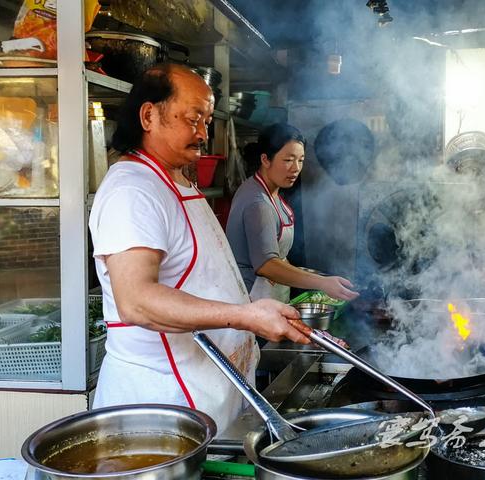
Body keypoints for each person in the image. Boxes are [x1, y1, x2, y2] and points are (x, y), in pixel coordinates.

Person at [88, 64, 309, 433]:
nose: (203, 133)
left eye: (207, 121)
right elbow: (136, 300)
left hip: (206, 391)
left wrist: (251, 313)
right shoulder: (132, 190)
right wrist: (245, 316)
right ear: (149, 116)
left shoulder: (175, 180)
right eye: (194, 119)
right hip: (162, 408)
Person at [226, 123, 359, 303]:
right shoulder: (257, 203)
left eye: (301, 160)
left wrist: (306, 275)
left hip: (271, 300)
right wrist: (322, 283)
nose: (296, 168)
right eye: (288, 160)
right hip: (252, 302)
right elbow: (266, 264)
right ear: (265, 160)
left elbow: (278, 256)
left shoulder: (271, 193)